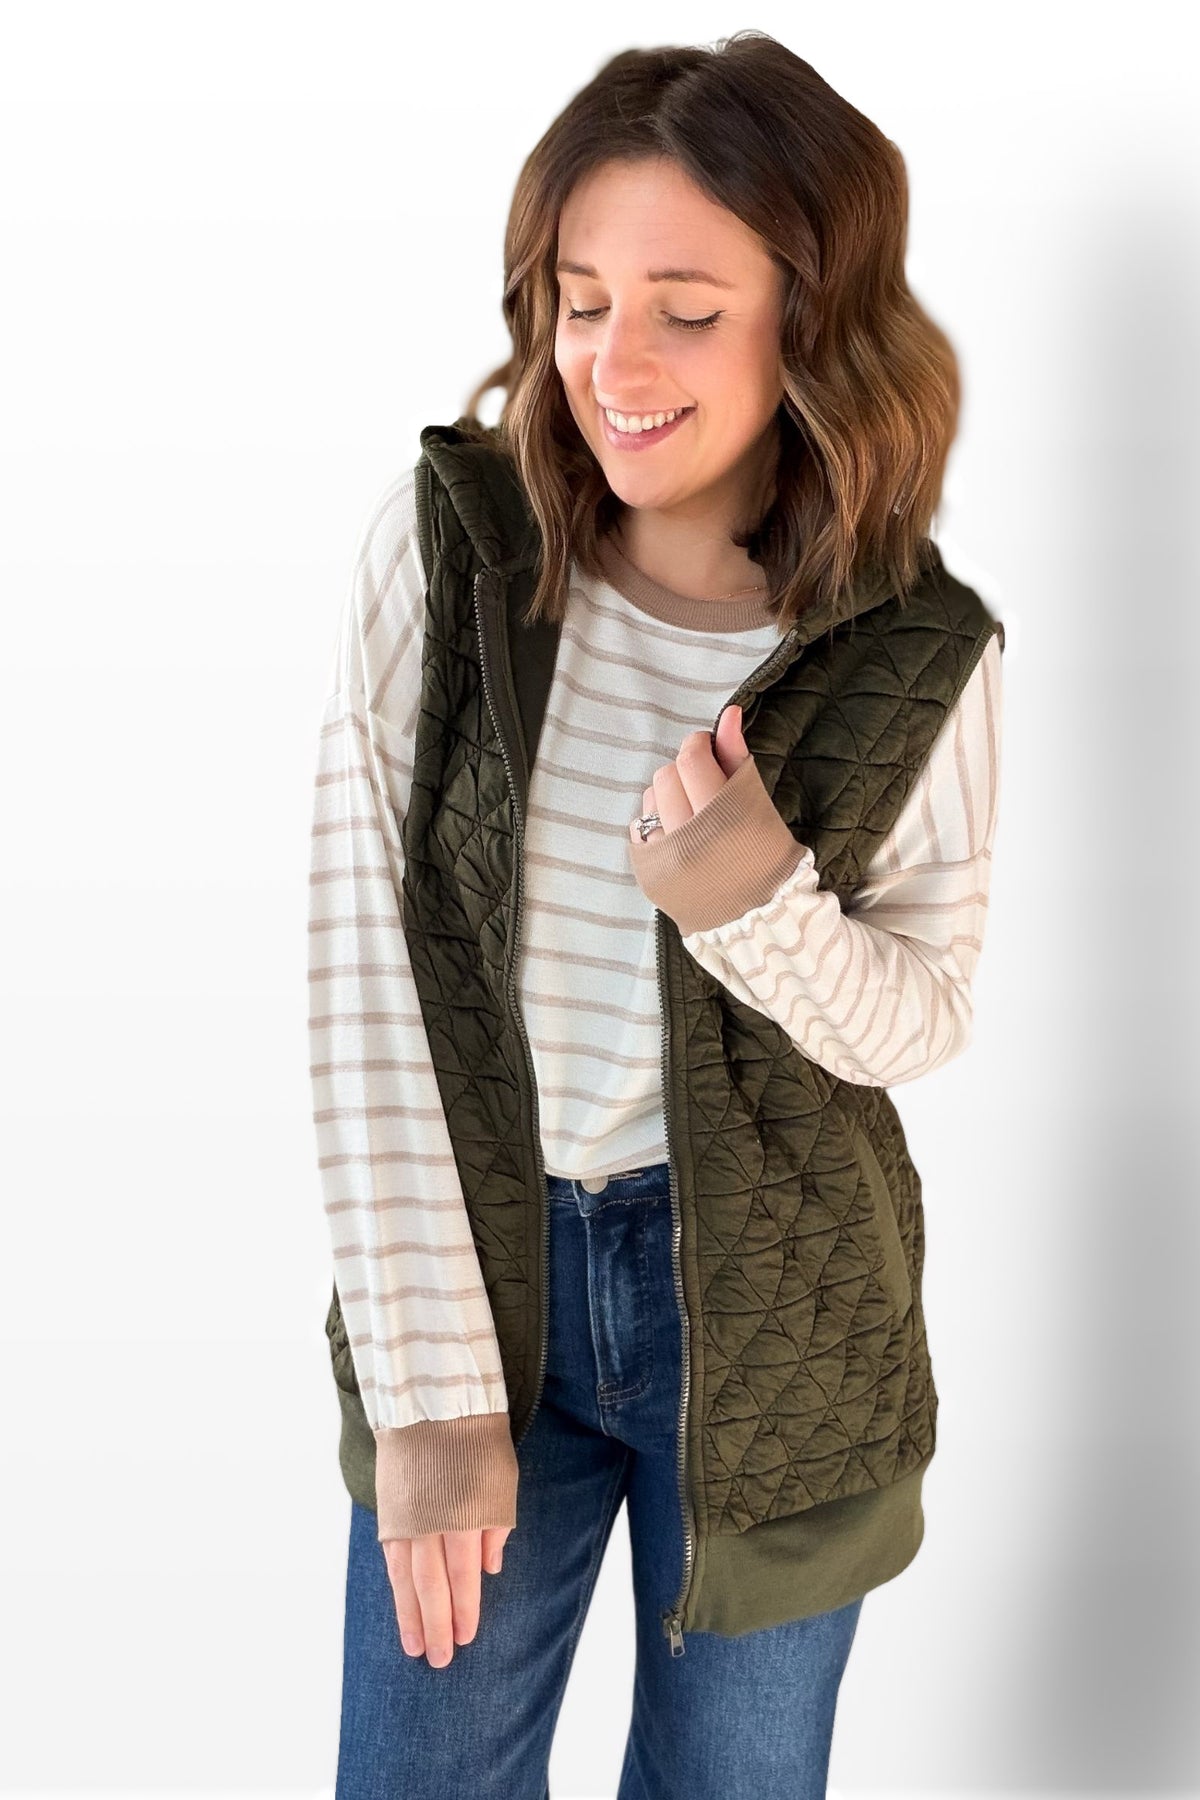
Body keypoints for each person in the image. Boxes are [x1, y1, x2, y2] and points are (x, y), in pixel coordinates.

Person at [307, 30, 1004, 1799]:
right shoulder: (451, 550)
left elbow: (926, 1011)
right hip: (487, 1292)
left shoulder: (925, 651)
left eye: (688, 307)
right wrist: (431, 1389)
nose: (617, 361)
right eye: (579, 295)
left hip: (773, 1316)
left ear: (813, 317)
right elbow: (358, 983)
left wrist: (757, 904)